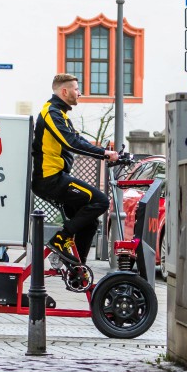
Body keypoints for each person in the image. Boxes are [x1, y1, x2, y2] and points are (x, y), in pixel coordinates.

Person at [32, 74, 119, 264]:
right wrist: (104, 153)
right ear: (64, 91)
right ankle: (60, 239)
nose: (79, 93)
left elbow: (78, 140)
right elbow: (71, 143)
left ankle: (76, 268)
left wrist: (108, 154)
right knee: (101, 201)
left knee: (90, 223)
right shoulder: (51, 113)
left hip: (57, 178)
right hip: (50, 180)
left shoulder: (61, 115)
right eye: (76, 89)